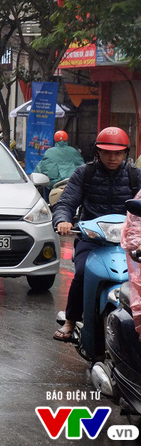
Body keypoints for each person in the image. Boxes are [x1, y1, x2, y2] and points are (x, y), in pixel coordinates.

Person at [53, 127, 141, 342]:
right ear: (98, 152)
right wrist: (63, 220)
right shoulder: (85, 173)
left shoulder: (134, 176)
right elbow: (66, 202)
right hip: (92, 239)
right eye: (107, 152)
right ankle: (71, 320)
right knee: (82, 273)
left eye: (118, 153)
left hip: (127, 241)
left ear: (125, 154)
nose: (113, 157)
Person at [33, 130, 84, 200]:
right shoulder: (74, 152)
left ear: (55, 140)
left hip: (54, 186)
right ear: (67, 139)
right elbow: (82, 168)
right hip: (72, 184)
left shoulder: (49, 152)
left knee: (45, 189)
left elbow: (41, 169)